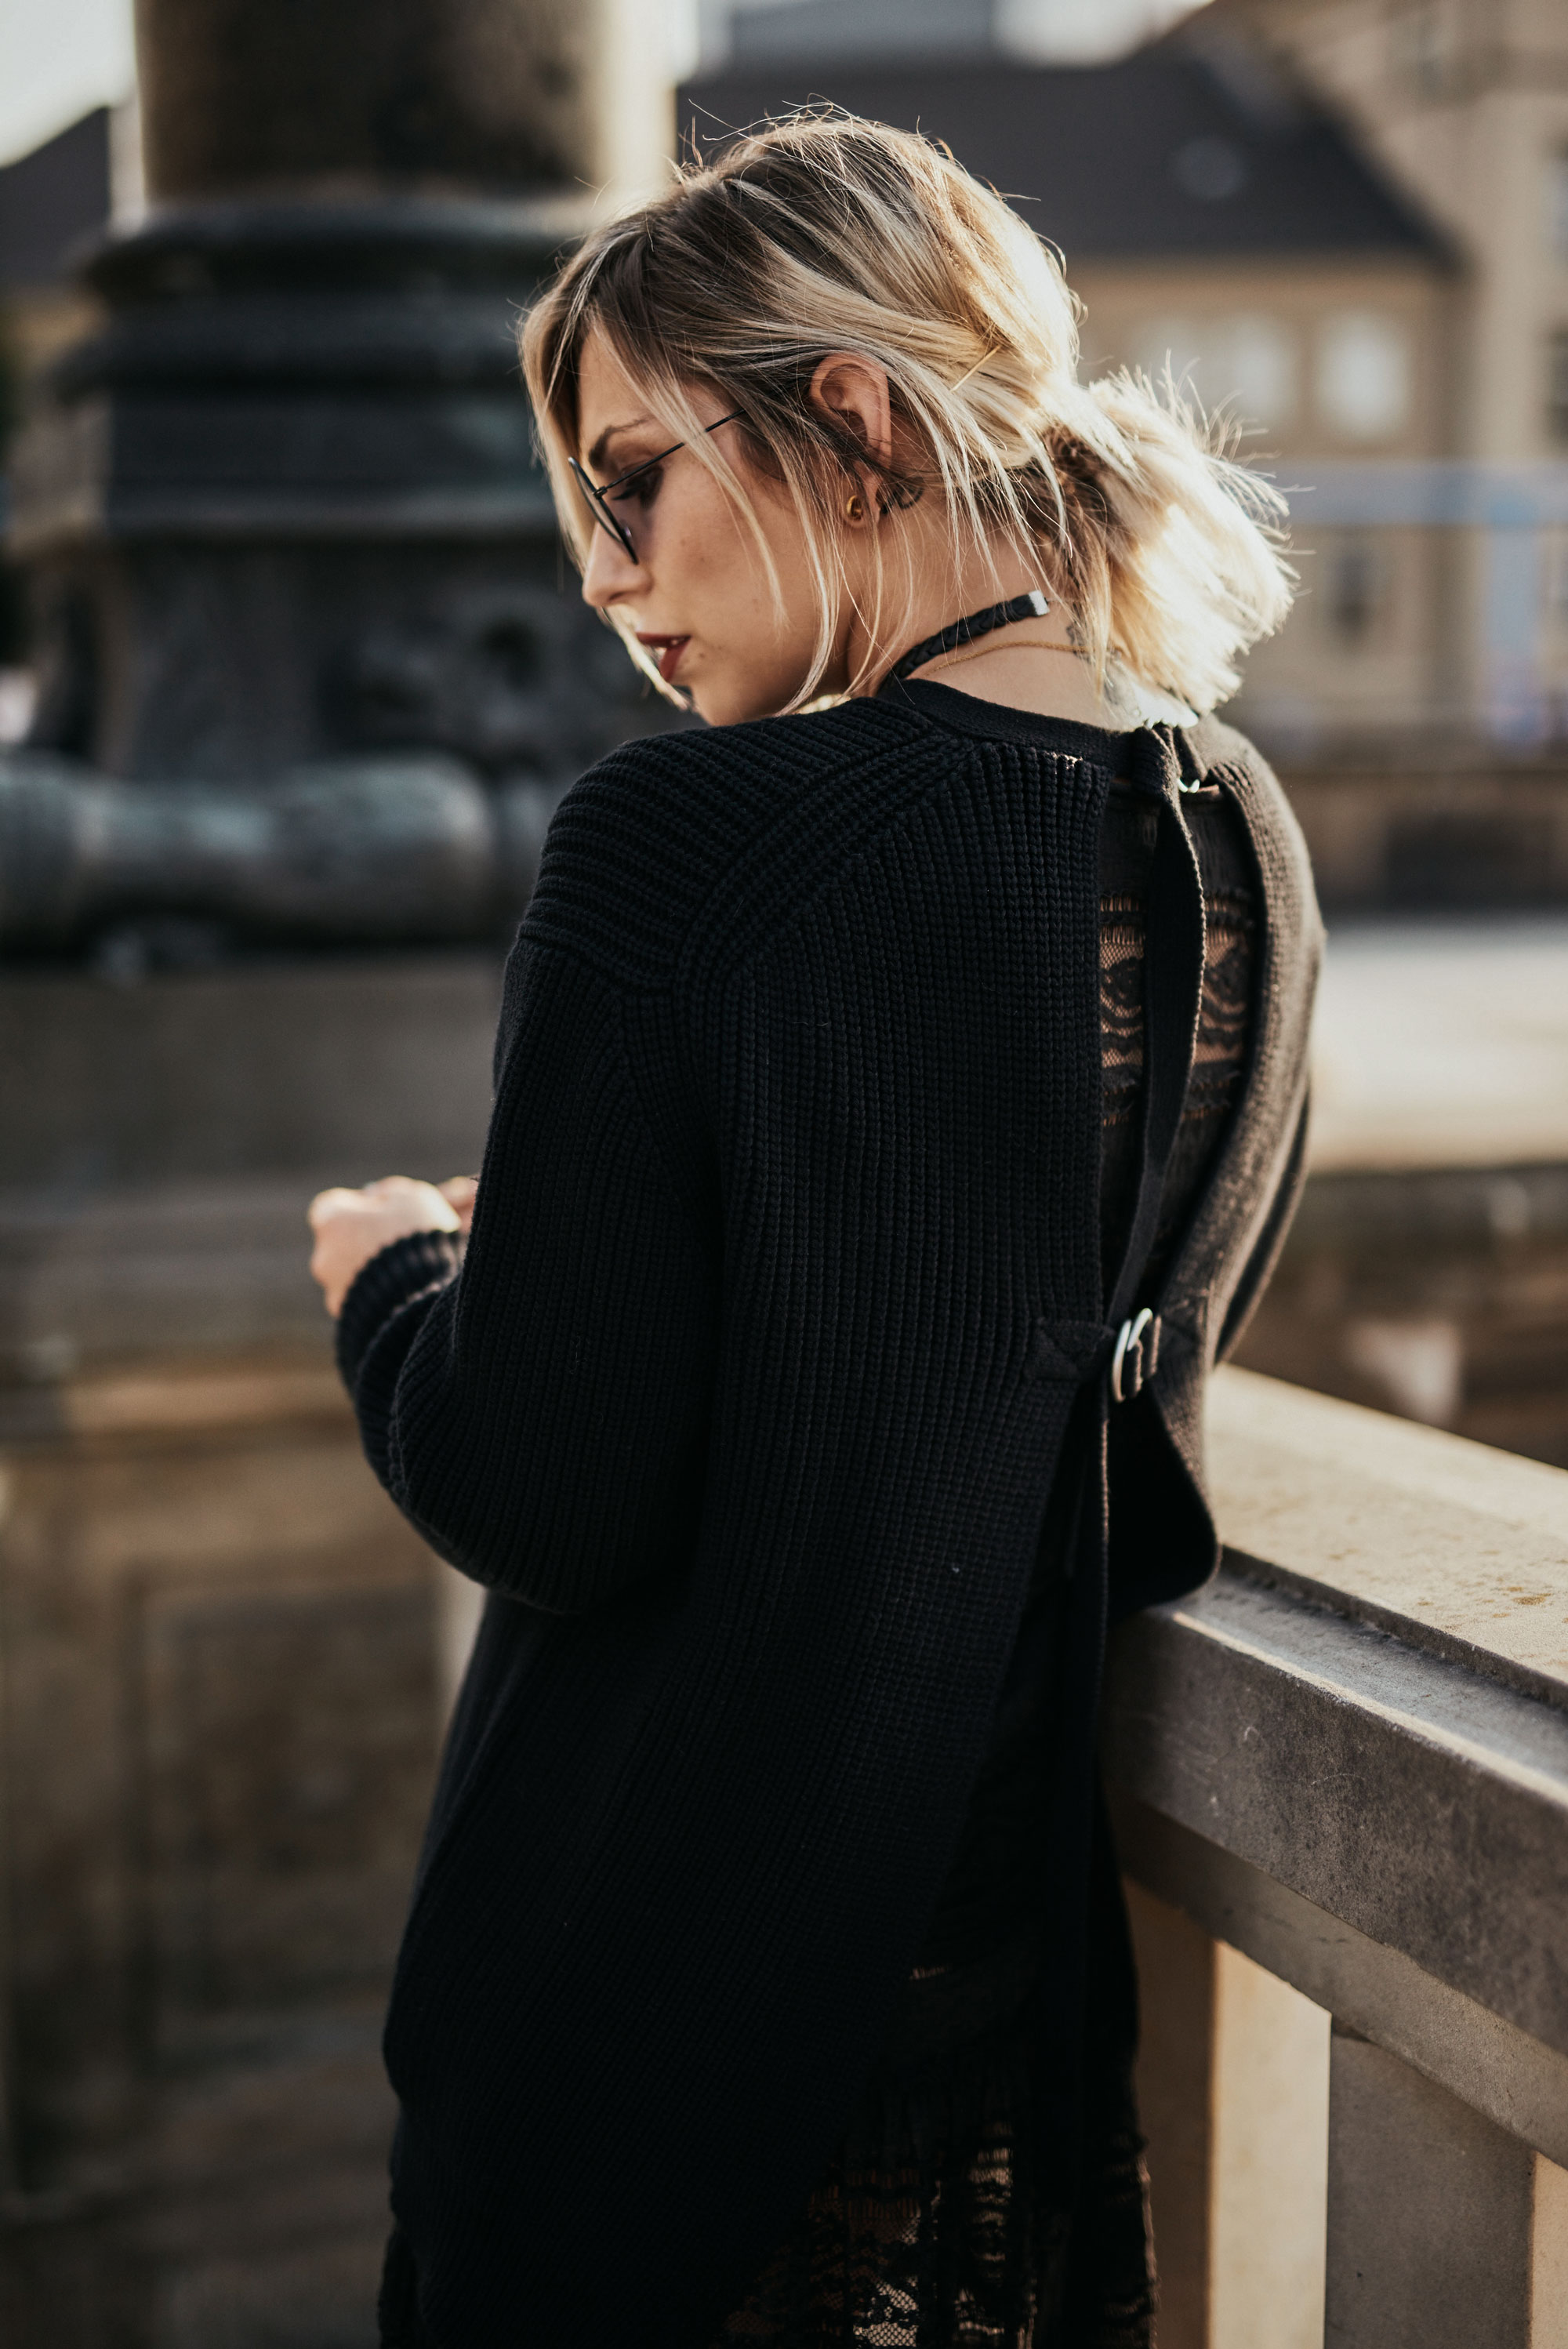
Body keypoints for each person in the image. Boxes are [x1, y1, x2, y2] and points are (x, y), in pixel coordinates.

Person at [307, 114, 1321, 2349]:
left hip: (639, 2040)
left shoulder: (684, 845)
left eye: (633, 478)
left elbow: (537, 1487)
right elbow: (1019, 1334)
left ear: (848, 414)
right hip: (987, 2053)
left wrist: (389, 1275)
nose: (599, 568)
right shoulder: (1240, 828)